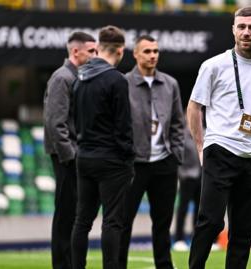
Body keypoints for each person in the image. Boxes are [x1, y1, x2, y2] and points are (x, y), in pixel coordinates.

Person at [187, 6, 251, 269]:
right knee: (210, 221)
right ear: (233, 29)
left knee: (243, 231)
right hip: (219, 149)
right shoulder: (213, 65)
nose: (246, 32)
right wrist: (202, 146)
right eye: (241, 26)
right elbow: (194, 107)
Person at [71, 25, 134, 269]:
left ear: (98, 48)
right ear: (120, 50)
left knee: (82, 220)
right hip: (111, 160)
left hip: (84, 155)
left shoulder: (80, 77)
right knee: (112, 222)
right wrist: (128, 156)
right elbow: (123, 125)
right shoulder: (116, 79)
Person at [124, 34, 184, 269]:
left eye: (156, 51)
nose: (152, 55)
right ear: (135, 54)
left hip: (164, 163)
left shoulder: (170, 84)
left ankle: (164, 265)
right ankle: (118, 264)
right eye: (147, 51)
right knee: (123, 221)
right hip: (133, 165)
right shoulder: (123, 83)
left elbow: (179, 123)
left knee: (162, 222)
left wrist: (176, 153)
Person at [43, 31, 96, 269]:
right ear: (76, 51)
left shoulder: (78, 77)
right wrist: (71, 157)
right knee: (66, 216)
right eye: (92, 51)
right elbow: (56, 123)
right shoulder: (62, 78)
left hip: (77, 155)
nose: (96, 55)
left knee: (75, 216)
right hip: (67, 159)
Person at [172, 126, 202, 252]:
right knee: (182, 209)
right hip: (186, 177)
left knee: (199, 210)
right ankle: (179, 239)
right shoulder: (182, 135)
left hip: (201, 176)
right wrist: (180, 174)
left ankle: (198, 239)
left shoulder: (203, 132)